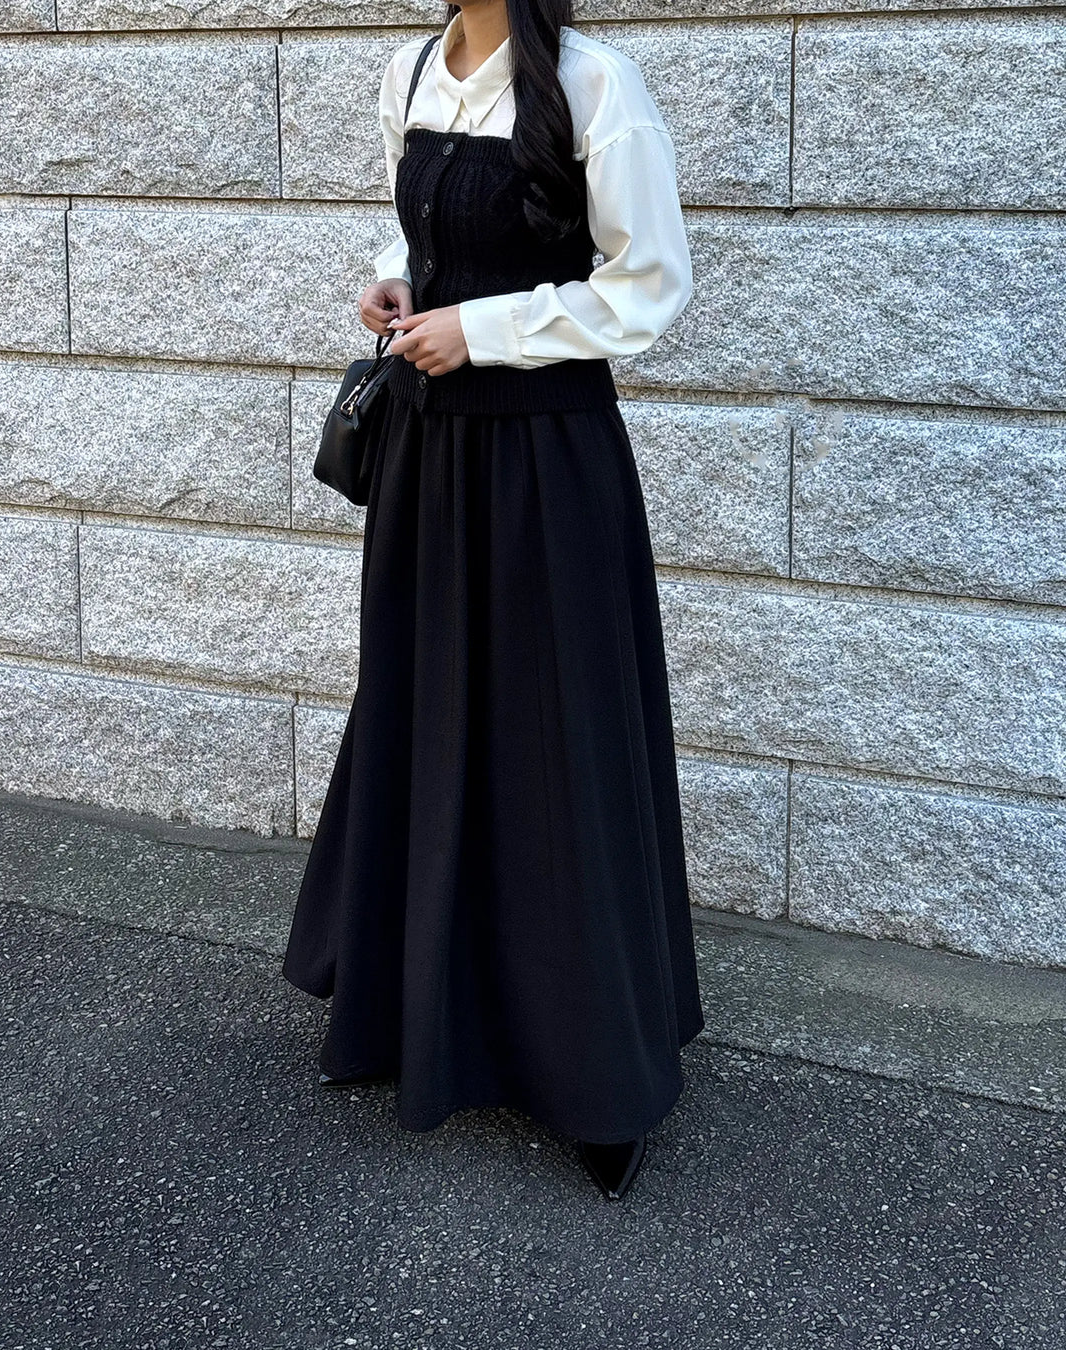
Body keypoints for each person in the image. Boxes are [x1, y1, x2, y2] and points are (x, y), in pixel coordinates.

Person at [282, 0, 705, 1202]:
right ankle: (412, 1005)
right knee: (424, 711)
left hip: (546, 460)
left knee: (556, 740)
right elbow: (410, 223)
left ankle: (597, 1072)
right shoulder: (412, 69)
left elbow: (650, 284)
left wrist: (487, 329)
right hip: (428, 455)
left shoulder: (595, 84)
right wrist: (392, 285)